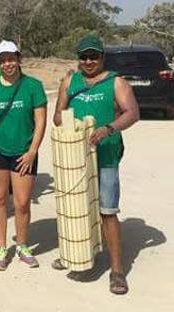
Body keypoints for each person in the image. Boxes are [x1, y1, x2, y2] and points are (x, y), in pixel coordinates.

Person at [53, 35, 139, 295]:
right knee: (78, 206)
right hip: (76, 157)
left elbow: (132, 113)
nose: (88, 61)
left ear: (102, 57)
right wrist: (71, 124)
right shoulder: (70, 81)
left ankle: (116, 270)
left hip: (107, 155)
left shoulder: (116, 82)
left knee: (107, 210)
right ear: (78, 59)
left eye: (94, 56)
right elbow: (58, 115)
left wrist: (108, 128)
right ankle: (76, 256)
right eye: (84, 57)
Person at [0, 40, 47, 271]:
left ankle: (23, 245)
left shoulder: (33, 86)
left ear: (18, 59)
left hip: (24, 151)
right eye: (3, 60)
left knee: (22, 202)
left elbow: (40, 121)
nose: (8, 64)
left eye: (11, 58)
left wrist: (32, 151)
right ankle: (1, 247)